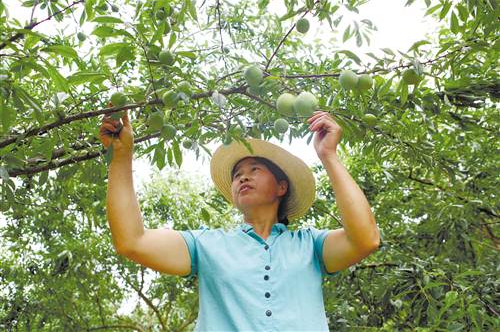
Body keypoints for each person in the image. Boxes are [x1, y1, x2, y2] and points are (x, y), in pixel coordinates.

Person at [100, 108, 381, 331]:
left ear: (282, 187)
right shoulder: (207, 245)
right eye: (237, 174)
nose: (243, 177)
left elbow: (366, 239)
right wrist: (121, 157)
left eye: (255, 169)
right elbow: (132, 241)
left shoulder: (311, 246)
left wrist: (328, 155)